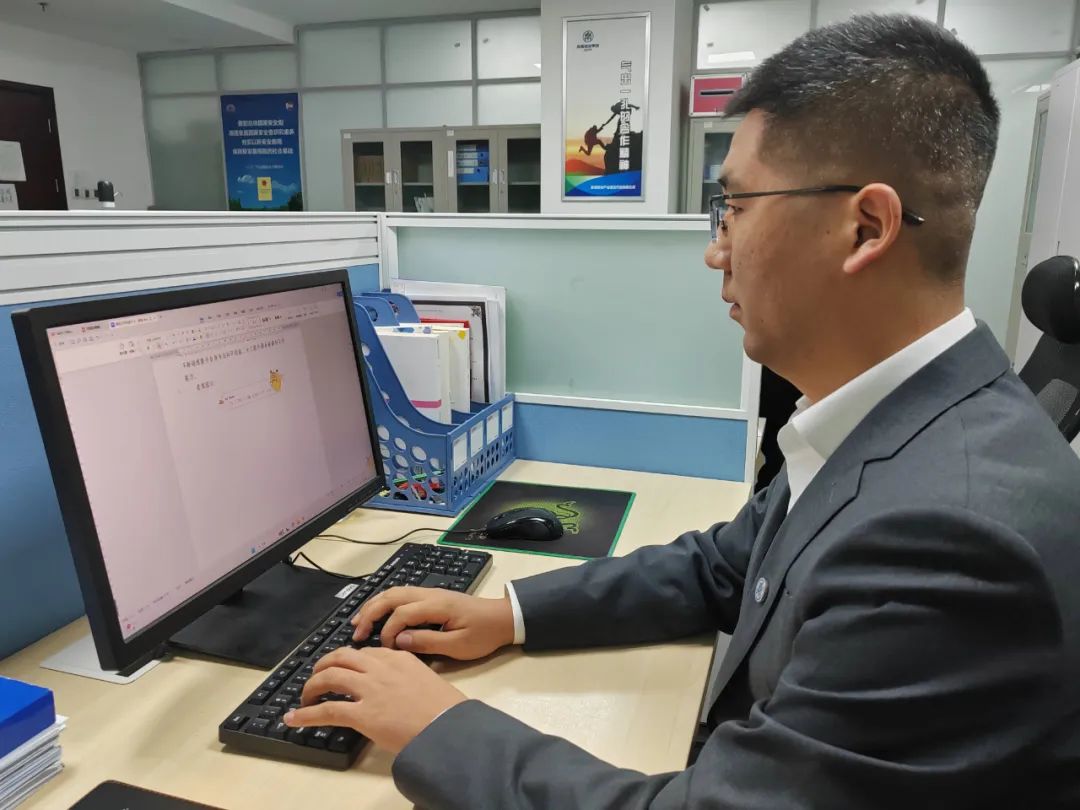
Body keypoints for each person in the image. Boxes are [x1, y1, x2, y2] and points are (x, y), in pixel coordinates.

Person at [285, 14, 1080, 808]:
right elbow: (723, 567)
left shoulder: (948, 538)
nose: (715, 249)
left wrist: (438, 727)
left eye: (736, 207)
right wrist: (507, 615)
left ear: (864, 228)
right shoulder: (897, 422)